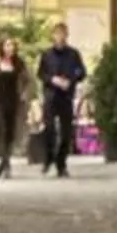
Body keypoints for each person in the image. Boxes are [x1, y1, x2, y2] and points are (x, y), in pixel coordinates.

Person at [37, 21, 85, 180]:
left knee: (66, 133)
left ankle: (61, 164)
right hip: (51, 96)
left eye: (62, 34)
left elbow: (82, 72)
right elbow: (41, 74)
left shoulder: (73, 54)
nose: (60, 37)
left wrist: (71, 80)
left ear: (66, 35)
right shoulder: (47, 55)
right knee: (49, 129)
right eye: (57, 34)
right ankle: (48, 158)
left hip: (66, 96)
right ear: (53, 36)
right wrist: (52, 80)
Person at [0, 36, 34, 180]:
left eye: (12, 45)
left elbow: (29, 81)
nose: (10, 48)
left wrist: (24, 94)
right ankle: (6, 164)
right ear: (2, 47)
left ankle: (4, 163)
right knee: (1, 129)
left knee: (10, 132)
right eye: (7, 45)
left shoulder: (19, 65)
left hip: (13, 100)